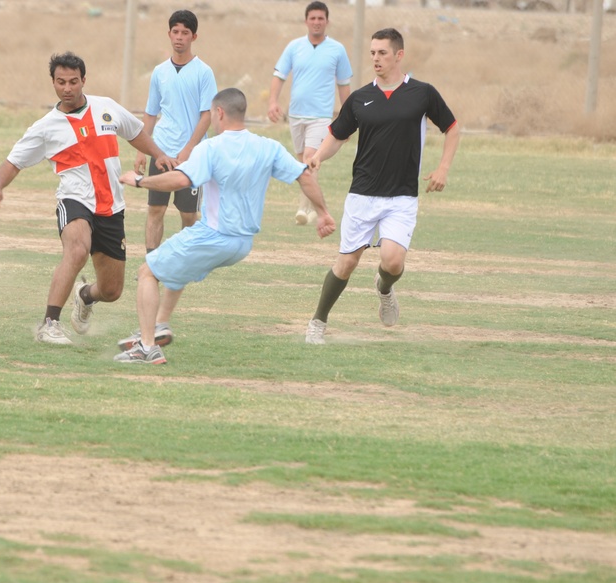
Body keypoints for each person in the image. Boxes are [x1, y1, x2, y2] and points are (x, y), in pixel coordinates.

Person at [115, 88, 336, 364]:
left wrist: (139, 181)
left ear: (219, 113)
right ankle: (159, 324)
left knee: (147, 272)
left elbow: (180, 181)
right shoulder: (268, 146)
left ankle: (147, 347)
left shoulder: (210, 148)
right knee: (178, 267)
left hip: (214, 237)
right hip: (242, 245)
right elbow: (304, 175)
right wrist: (323, 213)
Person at [0, 51, 176, 345]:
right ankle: (49, 324)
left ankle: (85, 295)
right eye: (61, 82)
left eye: (73, 81)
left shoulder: (106, 107)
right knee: (76, 250)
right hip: (75, 199)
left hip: (112, 206)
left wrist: (159, 154)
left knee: (112, 291)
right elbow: (13, 162)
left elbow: (135, 132)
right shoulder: (45, 127)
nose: (67, 88)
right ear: (53, 83)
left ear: (84, 80)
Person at [304, 28, 460, 345]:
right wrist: (319, 155)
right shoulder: (360, 98)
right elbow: (338, 135)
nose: (376, 58)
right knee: (346, 263)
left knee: (392, 261)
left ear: (398, 55)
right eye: (373, 52)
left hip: (402, 195)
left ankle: (385, 287)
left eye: (382, 53)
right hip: (362, 193)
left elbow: (452, 128)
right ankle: (318, 322)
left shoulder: (422, 93)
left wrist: (443, 168)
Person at [131, 9, 217, 348]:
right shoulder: (159, 72)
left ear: (194, 37)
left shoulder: (203, 72)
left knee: (187, 215)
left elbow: (207, 114)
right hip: (161, 152)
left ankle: (185, 256)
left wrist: (190, 148)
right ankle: (154, 262)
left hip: (190, 158)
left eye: (185, 32)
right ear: (169, 34)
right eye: (175, 31)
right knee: (155, 210)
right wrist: (143, 148)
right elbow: (151, 111)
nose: (179, 37)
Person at [267, 1, 351, 227]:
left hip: (321, 116)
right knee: (303, 164)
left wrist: (347, 118)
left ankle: (303, 209)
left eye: (320, 18)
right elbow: (279, 75)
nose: (316, 22)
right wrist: (273, 102)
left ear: (327, 21)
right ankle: (316, 208)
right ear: (306, 21)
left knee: (309, 160)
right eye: (312, 18)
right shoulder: (294, 47)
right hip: (296, 115)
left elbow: (344, 85)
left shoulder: (337, 50)